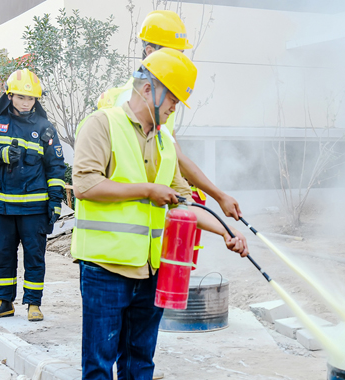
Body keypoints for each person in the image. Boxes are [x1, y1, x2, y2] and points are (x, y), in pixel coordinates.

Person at [70, 48, 249, 380]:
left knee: (140, 354)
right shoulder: (102, 124)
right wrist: (146, 191)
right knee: (100, 359)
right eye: (172, 100)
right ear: (148, 89)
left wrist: (225, 232)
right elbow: (85, 185)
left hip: (149, 266)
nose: (173, 109)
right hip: (105, 267)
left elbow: (183, 202)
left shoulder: (165, 141)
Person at [95, 10, 242, 222]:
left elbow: (173, 154)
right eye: (174, 53)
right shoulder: (135, 102)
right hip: (122, 224)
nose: (179, 60)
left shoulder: (161, 100)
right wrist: (218, 196)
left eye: (181, 54)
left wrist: (204, 198)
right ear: (149, 51)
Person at [0, 69, 66, 322]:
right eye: (21, 97)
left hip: (34, 209)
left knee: (34, 258)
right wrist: (0, 155)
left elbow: (56, 167)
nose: (26, 103)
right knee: (3, 256)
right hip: (2, 208)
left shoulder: (45, 128)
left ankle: (33, 304)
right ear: (9, 96)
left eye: (31, 98)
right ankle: (3, 303)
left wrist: (55, 202)